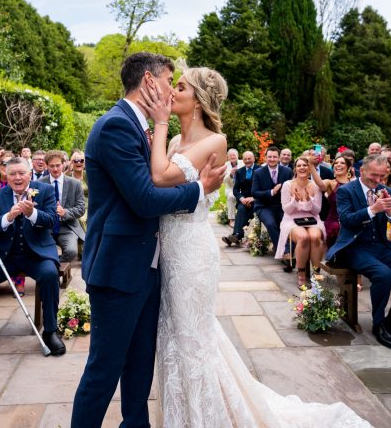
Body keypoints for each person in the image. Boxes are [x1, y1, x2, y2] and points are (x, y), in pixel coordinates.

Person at [133, 59, 370, 427]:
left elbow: (160, 177)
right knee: (175, 339)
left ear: (197, 100)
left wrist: (159, 122)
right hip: (168, 250)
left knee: (193, 339)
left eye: (180, 87)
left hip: (192, 253)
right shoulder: (177, 140)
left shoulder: (215, 140)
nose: (171, 92)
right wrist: (162, 131)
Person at [71, 53, 226, 427]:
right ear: (149, 82)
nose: (172, 90)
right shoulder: (116, 126)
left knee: (140, 367)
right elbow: (143, 199)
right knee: (104, 370)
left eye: (179, 84)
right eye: (169, 81)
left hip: (152, 265)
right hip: (119, 268)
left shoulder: (144, 127)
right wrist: (199, 190)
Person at [0, 157, 63, 363]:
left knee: (50, 275)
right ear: (6, 175)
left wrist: (32, 213)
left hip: (37, 254)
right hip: (4, 255)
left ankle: (50, 331)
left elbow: (52, 221)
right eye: (12, 173)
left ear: (30, 173)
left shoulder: (45, 191)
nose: (17, 177)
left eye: (21, 173)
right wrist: (8, 217)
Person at [326, 154, 391, 350]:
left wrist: (389, 212)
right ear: (362, 171)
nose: (378, 181)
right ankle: (378, 323)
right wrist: (372, 209)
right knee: (383, 274)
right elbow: (346, 221)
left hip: (380, 245)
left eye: (382, 176)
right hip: (354, 246)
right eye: (373, 176)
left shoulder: (385, 190)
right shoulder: (346, 191)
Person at [275, 156, 326, 286]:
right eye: (299, 166)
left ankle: (316, 272)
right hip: (292, 219)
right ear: (295, 169)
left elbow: (317, 211)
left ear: (309, 169)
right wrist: (295, 201)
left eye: (305, 165)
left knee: (314, 237)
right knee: (303, 237)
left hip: (312, 219)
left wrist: (309, 200)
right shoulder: (287, 185)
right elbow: (286, 209)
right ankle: (301, 272)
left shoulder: (314, 186)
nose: (302, 168)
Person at [38, 150, 86, 263]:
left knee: (71, 252)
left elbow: (81, 208)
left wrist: (65, 212)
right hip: (46, 227)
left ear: (64, 164)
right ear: (46, 166)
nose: (55, 169)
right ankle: (50, 271)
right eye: (52, 166)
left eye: (58, 165)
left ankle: (52, 267)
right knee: (41, 252)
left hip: (67, 227)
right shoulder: (39, 183)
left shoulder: (75, 183)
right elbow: (36, 208)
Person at [251, 146, 293, 254]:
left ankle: (287, 249)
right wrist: (271, 192)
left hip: (281, 206)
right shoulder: (258, 172)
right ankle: (283, 251)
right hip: (263, 206)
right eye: (270, 157)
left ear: (279, 158)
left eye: (275, 157)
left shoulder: (287, 171)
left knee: (287, 223)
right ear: (265, 158)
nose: (272, 159)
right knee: (270, 223)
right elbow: (254, 192)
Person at [222, 151, 258, 247]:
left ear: (253, 158)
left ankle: (236, 236)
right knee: (242, 209)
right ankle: (236, 235)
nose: (247, 161)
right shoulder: (239, 171)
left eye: (249, 158)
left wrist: (254, 198)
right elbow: (236, 189)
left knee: (248, 211)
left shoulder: (261, 170)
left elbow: (265, 188)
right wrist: (242, 199)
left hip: (258, 199)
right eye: (245, 159)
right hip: (244, 200)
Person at [324, 156, 354, 247]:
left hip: (351, 219)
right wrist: (312, 167)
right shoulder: (329, 182)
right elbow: (319, 185)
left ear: (349, 168)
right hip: (333, 220)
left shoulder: (355, 184)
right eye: (336, 163)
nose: (338, 165)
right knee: (336, 228)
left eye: (342, 163)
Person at [223, 149, 239, 225]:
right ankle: (231, 219)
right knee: (231, 197)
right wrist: (231, 174)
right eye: (230, 155)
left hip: (242, 188)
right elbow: (224, 181)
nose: (232, 156)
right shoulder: (225, 165)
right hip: (230, 188)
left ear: (237, 156)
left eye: (234, 155)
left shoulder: (242, 163)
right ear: (228, 157)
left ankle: (243, 218)